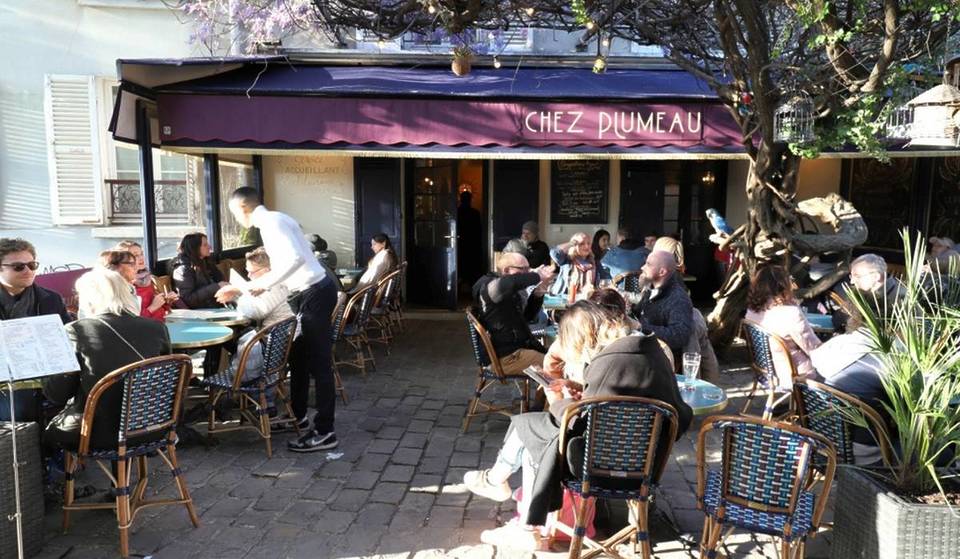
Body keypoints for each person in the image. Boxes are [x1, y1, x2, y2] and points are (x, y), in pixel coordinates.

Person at [463, 301, 692, 549]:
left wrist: (557, 401)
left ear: (583, 338)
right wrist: (584, 392)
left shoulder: (606, 361)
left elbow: (576, 423)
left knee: (537, 438)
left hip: (600, 466)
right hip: (648, 466)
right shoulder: (651, 351)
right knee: (530, 426)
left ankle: (524, 522)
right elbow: (672, 413)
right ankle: (501, 485)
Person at [228, 187, 340, 452]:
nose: (235, 218)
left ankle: (326, 432)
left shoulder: (270, 223)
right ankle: (298, 415)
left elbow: (295, 258)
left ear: (242, 208)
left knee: (320, 366)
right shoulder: (281, 217)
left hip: (312, 292)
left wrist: (264, 283)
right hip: (311, 292)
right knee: (298, 358)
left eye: (234, 213)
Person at [42, 268, 171, 452]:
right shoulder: (157, 328)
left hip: (99, 432)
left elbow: (56, 395)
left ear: (88, 298)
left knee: (49, 431)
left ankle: (60, 476)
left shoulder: (75, 331)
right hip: (154, 426)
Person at [0, 238, 71, 421]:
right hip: (6, 379)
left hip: (47, 375)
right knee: (19, 405)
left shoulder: (50, 299)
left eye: (32, 265)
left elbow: (66, 337)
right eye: (18, 267)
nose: (28, 271)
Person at [474, 252, 553, 375]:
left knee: (559, 358)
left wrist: (538, 294)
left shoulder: (507, 292)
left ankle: (544, 393)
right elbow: (511, 282)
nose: (528, 273)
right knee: (559, 366)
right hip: (506, 358)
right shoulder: (491, 286)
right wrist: (538, 275)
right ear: (506, 270)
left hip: (515, 351)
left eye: (529, 268)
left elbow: (527, 317)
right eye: (524, 269)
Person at [745, 264, 821, 390]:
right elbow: (814, 349)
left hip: (765, 370)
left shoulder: (751, 311)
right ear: (783, 286)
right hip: (794, 373)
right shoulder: (790, 314)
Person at [630, 250, 694, 364]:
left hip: (660, 361)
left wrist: (641, 327)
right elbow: (639, 314)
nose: (642, 267)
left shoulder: (677, 299)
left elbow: (680, 336)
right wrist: (627, 309)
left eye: (648, 264)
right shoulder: (652, 288)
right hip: (644, 350)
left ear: (662, 272)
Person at [215, 247, 294, 328]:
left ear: (266, 270)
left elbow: (255, 312)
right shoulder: (275, 280)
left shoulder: (273, 286)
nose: (248, 275)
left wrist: (237, 297)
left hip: (275, 335)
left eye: (251, 272)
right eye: (247, 271)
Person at [834, 253, 903, 331]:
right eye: (851, 276)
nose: (852, 281)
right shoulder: (860, 292)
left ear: (876, 277)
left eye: (857, 276)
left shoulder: (901, 298)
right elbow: (840, 318)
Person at [114, 240, 177, 321]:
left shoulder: (147, 279)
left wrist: (167, 302)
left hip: (160, 324)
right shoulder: (123, 286)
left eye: (142, 254)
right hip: (146, 330)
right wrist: (152, 307)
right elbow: (130, 322)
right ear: (124, 262)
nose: (141, 258)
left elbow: (160, 309)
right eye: (135, 255)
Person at [170, 233, 226, 309]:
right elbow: (188, 299)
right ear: (195, 248)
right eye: (205, 245)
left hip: (216, 304)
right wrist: (216, 287)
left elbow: (220, 280)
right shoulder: (183, 269)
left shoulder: (205, 262)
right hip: (202, 311)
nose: (210, 247)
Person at [548, 232, 596, 297]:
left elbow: (603, 281)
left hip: (585, 301)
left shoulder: (594, 262)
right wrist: (572, 243)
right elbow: (554, 252)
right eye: (582, 244)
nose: (586, 246)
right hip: (563, 298)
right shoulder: (567, 260)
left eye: (589, 243)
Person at [457, 190, 484, 289]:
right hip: (472, 244)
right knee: (471, 268)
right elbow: (478, 230)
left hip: (459, 243)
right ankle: (471, 289)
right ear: (470, 200)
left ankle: (459, 288)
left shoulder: (456, 212)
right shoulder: (475, 213)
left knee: (461, 266)